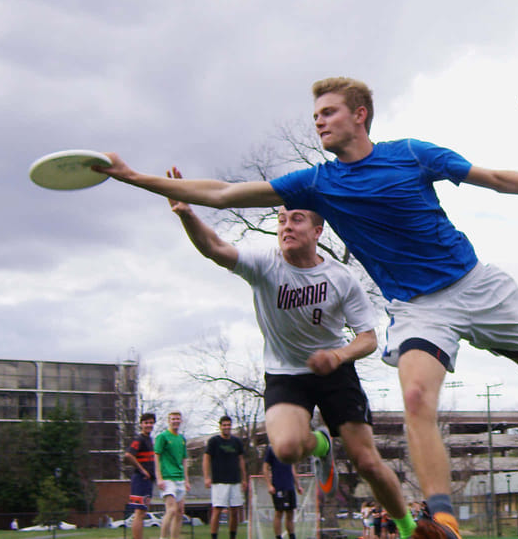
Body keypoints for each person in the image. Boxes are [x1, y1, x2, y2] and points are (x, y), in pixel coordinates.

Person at [99, 76, 518, 539]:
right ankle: (442, 521)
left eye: (328, 112)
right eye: (316, 116)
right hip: (418, 309)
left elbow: (497, 179)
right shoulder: (318, 184)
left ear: (359, 114)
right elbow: (223, 193)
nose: (319, 121)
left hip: (477, 287)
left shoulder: (413, 154)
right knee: (415, 395)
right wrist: (136, 178)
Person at [165, 180, 417, 539]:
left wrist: (338, 355)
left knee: (367, 462)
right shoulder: (263, 265)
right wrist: (187, 213)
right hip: (285, 373)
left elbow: (368, 339)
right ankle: (321, 444)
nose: (286, 227)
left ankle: (410, 530)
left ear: (317, 230)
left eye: (296, 220)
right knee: (284, 449)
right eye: (281, 220)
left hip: (334, 372)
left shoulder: (340, 278)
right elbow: (214, 247)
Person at [204, 416, 247, 539]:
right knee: (217, 510)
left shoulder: (236, 442)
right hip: (219, 481)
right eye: (224, 425)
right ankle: (214, 536)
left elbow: (241, 460)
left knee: (235, 511)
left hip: (235, 480)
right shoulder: (214, 441)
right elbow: (206, 459)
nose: (227, 427)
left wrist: (244, 479)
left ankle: (232, 536)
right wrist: (207, 477)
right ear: (220, 426)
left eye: (229, 425)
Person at [154, 411, 189, 539]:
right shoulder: (162, 437)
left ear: (181, 421)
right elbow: (157, 456)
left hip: (179, 478)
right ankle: (163, 537)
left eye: (178, 419)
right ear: (169, 421)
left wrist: (186, 480)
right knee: (171, 509)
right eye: (173, 419)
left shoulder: (182, 439)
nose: (175, 421)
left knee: (179, 512)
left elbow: (184, 460)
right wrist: (159, 477)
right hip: (167, 478)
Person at [124, 413, 157, 539]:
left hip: (148, 480)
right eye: (146, 423)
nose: (149, 425)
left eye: (151, 423)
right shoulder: (139, 439)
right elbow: (128, 455)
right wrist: (142, 470)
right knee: (139, 512)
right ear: (141, 424)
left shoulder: (150, 440)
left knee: (143, 511)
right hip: (140, 479)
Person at [262, 446, 304, 539]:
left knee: (290, 513)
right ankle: (278, 536)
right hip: (278, 486)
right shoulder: (271, 449)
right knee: (279, 513)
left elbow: (292, 467)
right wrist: (269, 485)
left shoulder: (290, 449)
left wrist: (298, 485)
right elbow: (265, 468)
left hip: (289, 486)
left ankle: (292, 536)